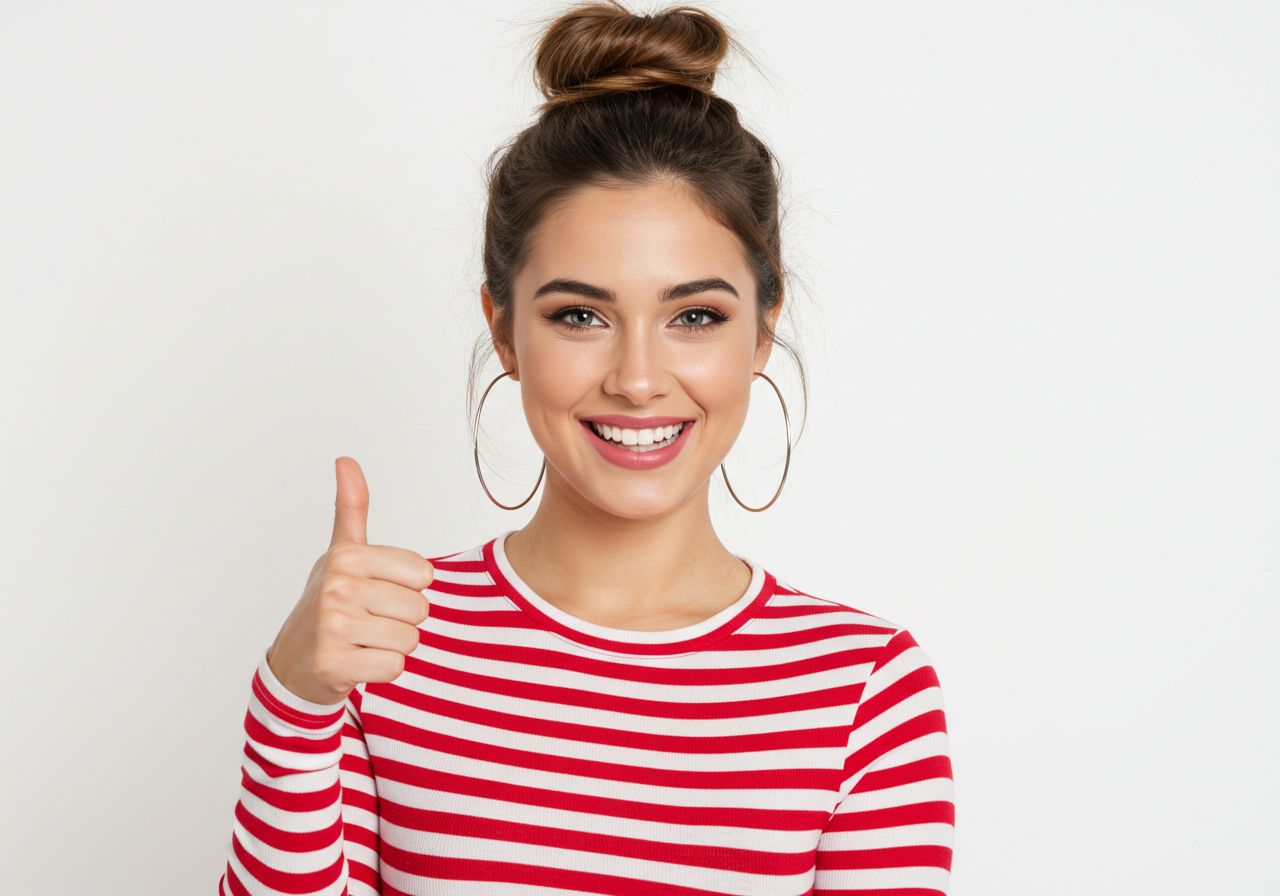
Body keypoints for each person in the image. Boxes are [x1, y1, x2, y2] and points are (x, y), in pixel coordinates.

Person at [219, 3, 954, 893]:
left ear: (761, 333)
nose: (638, 379)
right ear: (505, 333)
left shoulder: (864, 690)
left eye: (695, 317)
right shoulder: (382, 648)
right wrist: (293, 709)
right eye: (580, 315)